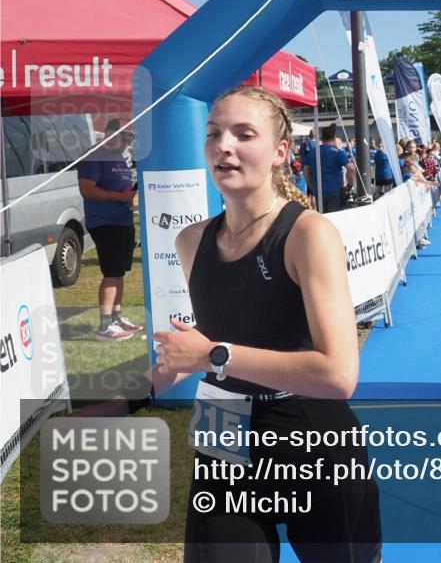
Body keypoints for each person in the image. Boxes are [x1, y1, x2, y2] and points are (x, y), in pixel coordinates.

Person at [155, 86, 381, 561]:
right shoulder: (190, 240)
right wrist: (126, 394)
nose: (224, 145)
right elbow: (209, 340)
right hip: (223, 425)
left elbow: (339, 375)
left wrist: (213, 355)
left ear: (280, 152)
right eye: (214, 133)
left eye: (244, 134)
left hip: (310, 431)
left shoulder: (309, 234)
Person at [77, 119, 142, 341]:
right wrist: (118, 197)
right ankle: (105, 326)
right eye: (125, 137)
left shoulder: (118, 157)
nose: (127, 142)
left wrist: (127, 196)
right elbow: (86, 189)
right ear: (111, 134)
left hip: (122, 220)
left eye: (130, 138)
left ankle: (116, 317)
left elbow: (120, 189)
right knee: (112, 273)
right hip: (105, 222)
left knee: (120, 272)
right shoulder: (95, 155)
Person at [304, 124, 356, 212]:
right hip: (335, 191)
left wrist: (312, 187)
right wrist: (349, 185)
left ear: (322, 137)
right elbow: (351, 169)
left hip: (319, 191)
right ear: (334, 137)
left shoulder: (312, 152)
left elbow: (306, 172)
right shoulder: (338, 152)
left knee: (323, 217)